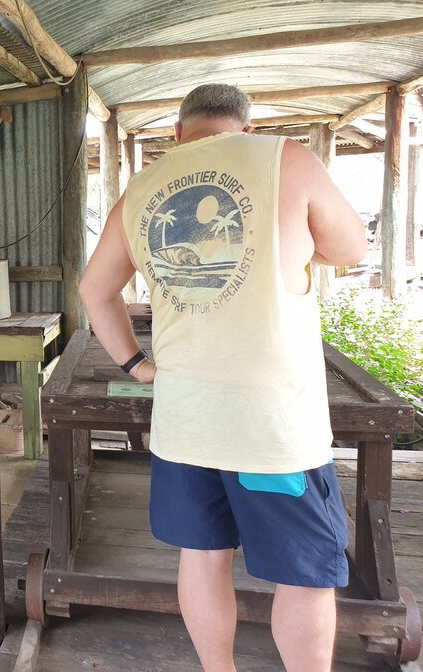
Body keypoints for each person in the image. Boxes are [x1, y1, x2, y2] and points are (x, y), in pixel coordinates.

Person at [78, 84, 367, 672]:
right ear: (245, 128)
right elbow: (349, 248)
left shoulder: (141, 189)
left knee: (202, 556)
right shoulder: (286, 158)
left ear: (178, 135)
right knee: (306, 574)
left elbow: (94, 290)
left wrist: (138, 365)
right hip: (273, 426)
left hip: (186, 420)